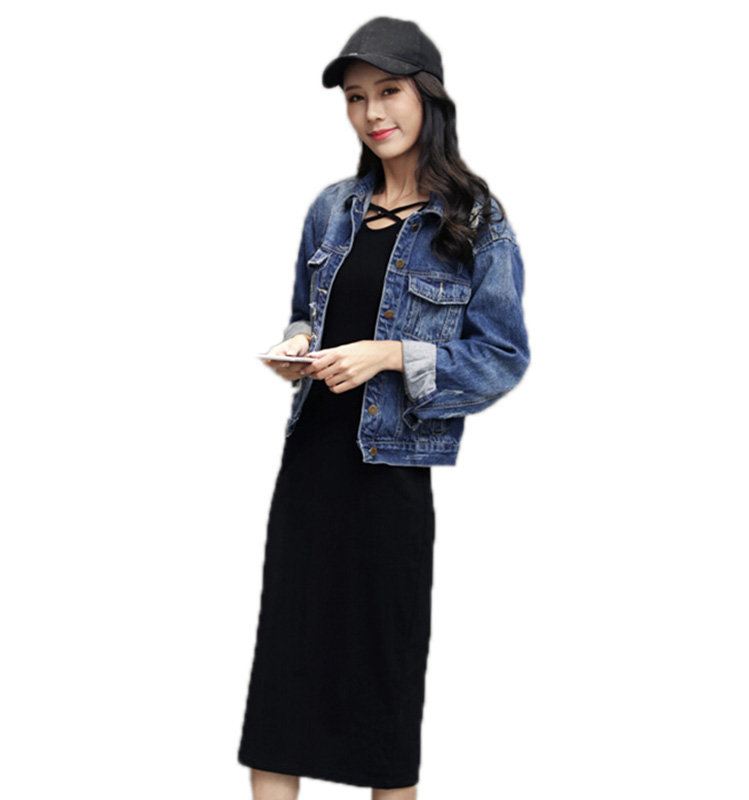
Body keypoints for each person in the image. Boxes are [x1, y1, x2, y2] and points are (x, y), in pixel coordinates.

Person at [238, 16, 530, 800]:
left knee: (383, 694)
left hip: (389, 479)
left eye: (389, 91)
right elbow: (306, 311)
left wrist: (392, 354)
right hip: (310, 469)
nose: (372, 113)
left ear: (428, 96)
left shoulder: (475, 221)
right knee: (284, 683)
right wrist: (296, 346)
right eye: (356, 97)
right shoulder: (331, 208)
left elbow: (503, 356)